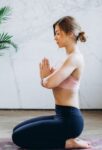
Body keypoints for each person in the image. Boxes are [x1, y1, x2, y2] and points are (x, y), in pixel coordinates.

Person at [12, 16, 91, 149]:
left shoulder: (74, 58)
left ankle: (67, 143)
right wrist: (46, 78)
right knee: (16, 130)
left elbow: (49, 83)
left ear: (71, 34)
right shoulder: (68, 58)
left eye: (58, 33)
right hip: (61, 115)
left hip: (70, 121)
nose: (55, 37)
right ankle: (66, 140)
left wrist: (44, 78)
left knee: (18, 137)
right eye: (55, 34)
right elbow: (51, 82)